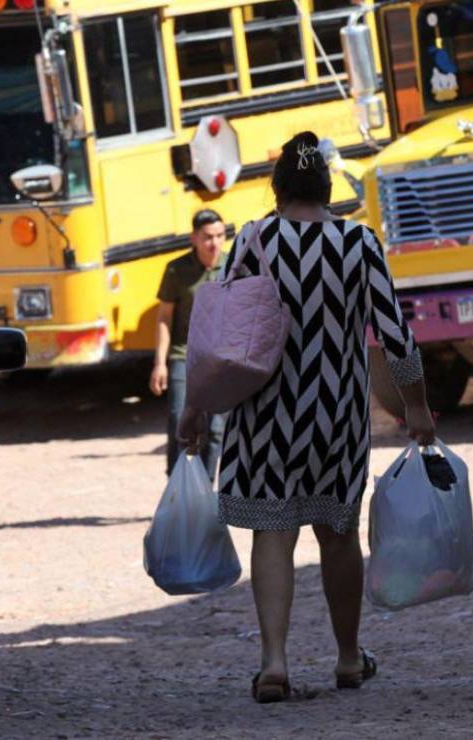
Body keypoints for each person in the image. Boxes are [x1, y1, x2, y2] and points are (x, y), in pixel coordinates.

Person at [182, 131, 436, 704]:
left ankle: (274, 663)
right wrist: (416, 407)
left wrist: (194, 409)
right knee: (337, 535)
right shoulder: (359, 243)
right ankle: (348, 658)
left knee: (273, 532)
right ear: (326, 186)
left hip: (265, 414)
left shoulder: (253, 239)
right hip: (337, 417)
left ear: (276, 189)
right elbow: (395, 336)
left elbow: (218, 337)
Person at [150, 208, 227, 478]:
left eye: (220, 235)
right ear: (194, 238)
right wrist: (160, 364)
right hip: (184, 356)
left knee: (216, 429)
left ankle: (205, 489)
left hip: (221, 361)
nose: (214, 243)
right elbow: (164, 318)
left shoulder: (233, 266)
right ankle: (177, 484)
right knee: (178, 423)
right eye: (207, 237)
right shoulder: (176, 270)